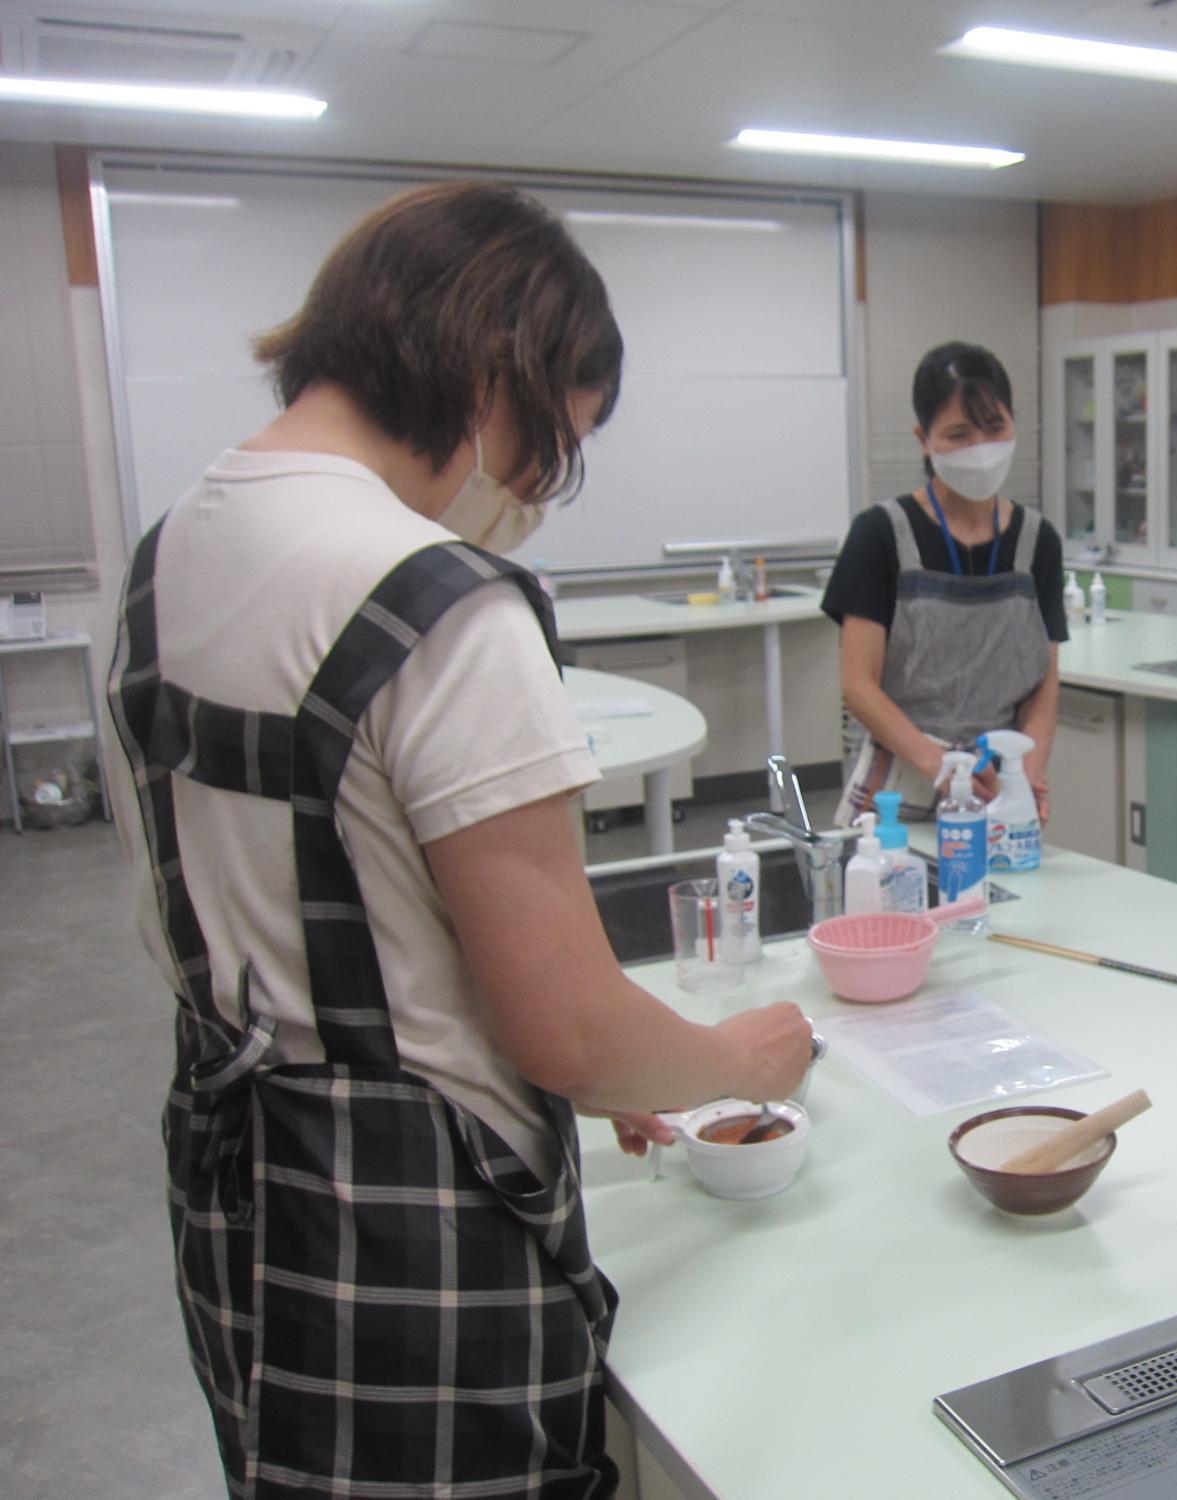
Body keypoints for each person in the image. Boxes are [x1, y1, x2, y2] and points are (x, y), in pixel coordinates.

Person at [104, 182, 814, 1497]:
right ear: (498, 370)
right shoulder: (442, 608)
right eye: (552, 445)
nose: (536, 491)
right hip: (418, 1240)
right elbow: (567, 1029)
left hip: (236, 1182)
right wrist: (730, 1061)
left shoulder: (168, 553)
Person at [822, 342, 1067, 824]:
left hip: (997, 778)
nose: (980, 448)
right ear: (923, 438)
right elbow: (859, 685)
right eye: (959, 434)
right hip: (899, 781)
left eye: (994, 428)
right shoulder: (880, 535)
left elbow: (1044, 683)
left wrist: (1025, 777)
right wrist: (939, 765)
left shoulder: (1038, 542)